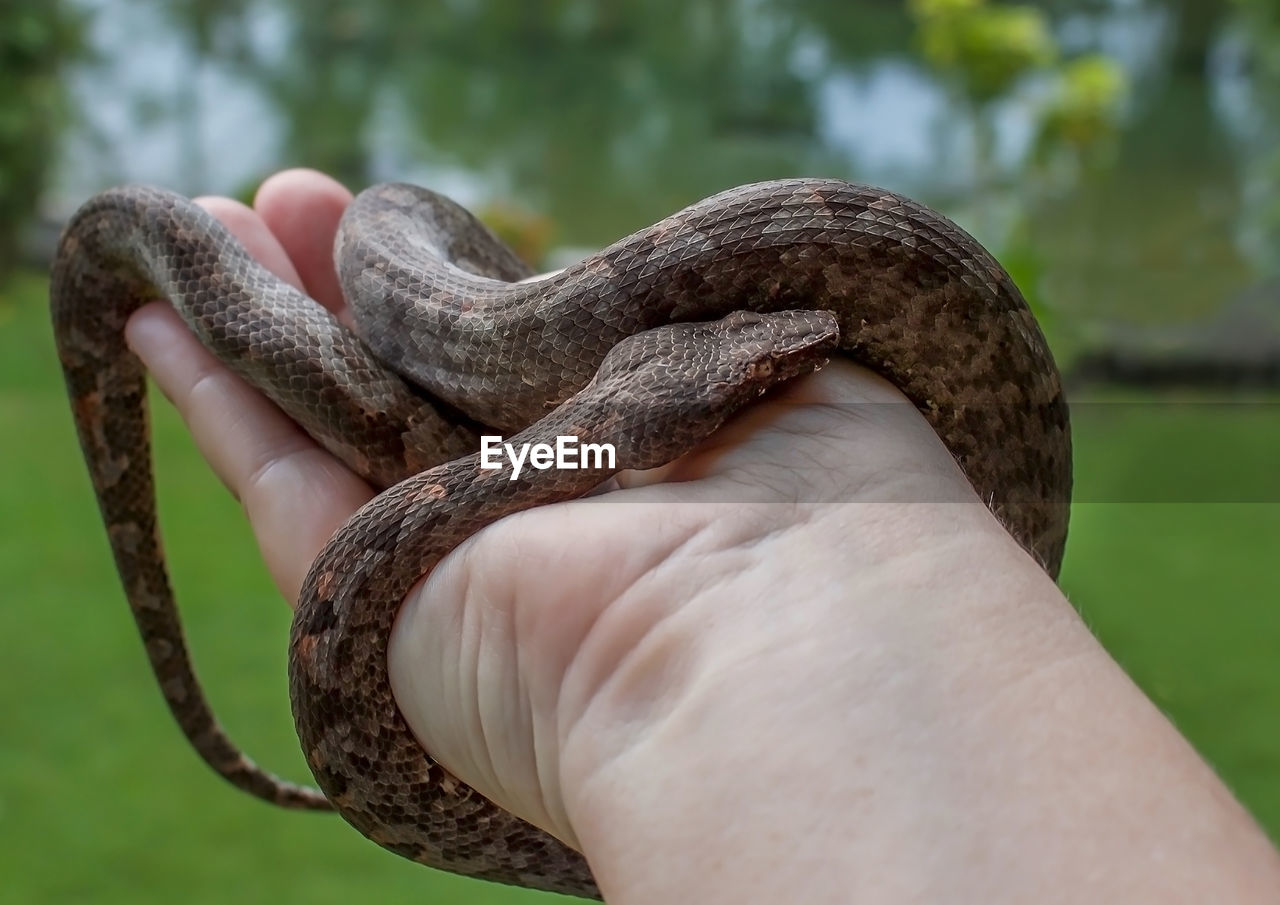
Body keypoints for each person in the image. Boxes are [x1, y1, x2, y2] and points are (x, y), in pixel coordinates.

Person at [125, 168, 1280, 904]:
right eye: (764, 373)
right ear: (651, 417)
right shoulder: (583, 445)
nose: (790, 355)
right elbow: (565, 451)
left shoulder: (581, 445)